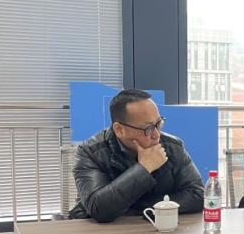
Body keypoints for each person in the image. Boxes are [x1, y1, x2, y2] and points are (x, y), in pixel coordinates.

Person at [68, 89, 203, 222]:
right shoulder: (91, 152)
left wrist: (138, 207)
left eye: (158, 124)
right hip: (100, 233)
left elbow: (198, 195)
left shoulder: (173, 146)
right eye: (148, 128)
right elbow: (99, 208)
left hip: (154, 227)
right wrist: (144, 168)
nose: (156, 135)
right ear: (119, 130)